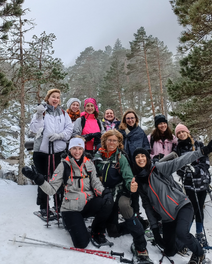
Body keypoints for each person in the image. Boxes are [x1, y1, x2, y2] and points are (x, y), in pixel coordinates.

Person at [132, 137, 212, 264]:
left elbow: (180, 161)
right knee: (169, 250)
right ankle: (182, 244)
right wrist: (154, 229)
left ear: (148, 158)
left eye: (143, 156)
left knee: (182, 233)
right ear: (135, 160)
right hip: (167, 218)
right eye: (137, 157)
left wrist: (204, 151)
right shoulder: (140, 182)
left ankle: (200, 254)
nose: (140, 158)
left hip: (181, 206)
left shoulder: (158, 169)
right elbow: (147, 205)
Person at [22, 137, 114, 249]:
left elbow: (95, 183)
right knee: (81, 244)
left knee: (107, 202)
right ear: (69, 149)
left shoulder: (89, 164)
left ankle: (96, 231)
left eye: (80, 148)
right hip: (71, 208)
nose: (77, 151)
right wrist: (38, 179)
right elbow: (51, 189)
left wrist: (104, 192)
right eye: (74, 148)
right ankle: (72, 223)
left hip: (87, 203)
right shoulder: (63, 166)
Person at [93, 129, 153, 264]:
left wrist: (131, 185)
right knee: (113, 231)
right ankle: (137, 224)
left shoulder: (121, 157)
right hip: (104, 192)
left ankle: (140, 246)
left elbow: (128, 175)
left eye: (115, 140)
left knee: (125, 206)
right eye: (109, 140)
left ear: (119, 142)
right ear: (105, 141)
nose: (112, 143)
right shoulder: (97, 157)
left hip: (120, 191)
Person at [29, 88, 73, 218]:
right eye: (53, 96)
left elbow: (69, 129)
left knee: (58, 179)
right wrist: (38, 115)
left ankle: (58, 205)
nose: (55, 99)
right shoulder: (41, 112)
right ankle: (44, 207)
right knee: (42, 179)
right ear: (48, 98)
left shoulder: (63, 113)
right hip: (42, 152)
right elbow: (34, 129)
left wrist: (60, 135)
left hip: (58, 151)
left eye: (58, 97)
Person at [175, 123, 211, 247]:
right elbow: (177, 166)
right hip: (189, 185)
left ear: (187, 132)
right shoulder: (177, 149)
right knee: (192, 210)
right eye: (178, 133)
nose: (181, 134)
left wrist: (196, 170)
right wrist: (185, 170)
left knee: (199, 208)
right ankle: (186, 235)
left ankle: (199, 234)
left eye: (182, 131)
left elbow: (205, 163)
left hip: (202, 183)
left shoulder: (199, 145)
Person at [119, 109, 150, 227]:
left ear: (135, 119)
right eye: (128, 118)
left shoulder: (140, 132)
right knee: (128, 190)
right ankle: (128, 214)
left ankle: (137, 213)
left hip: (138, 166)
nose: (130, 120)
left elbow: (146, 147)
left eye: (132, 118)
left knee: (138, 191)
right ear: (125, 120)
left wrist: (143, 160)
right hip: (125, 164)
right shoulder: (121, 132)